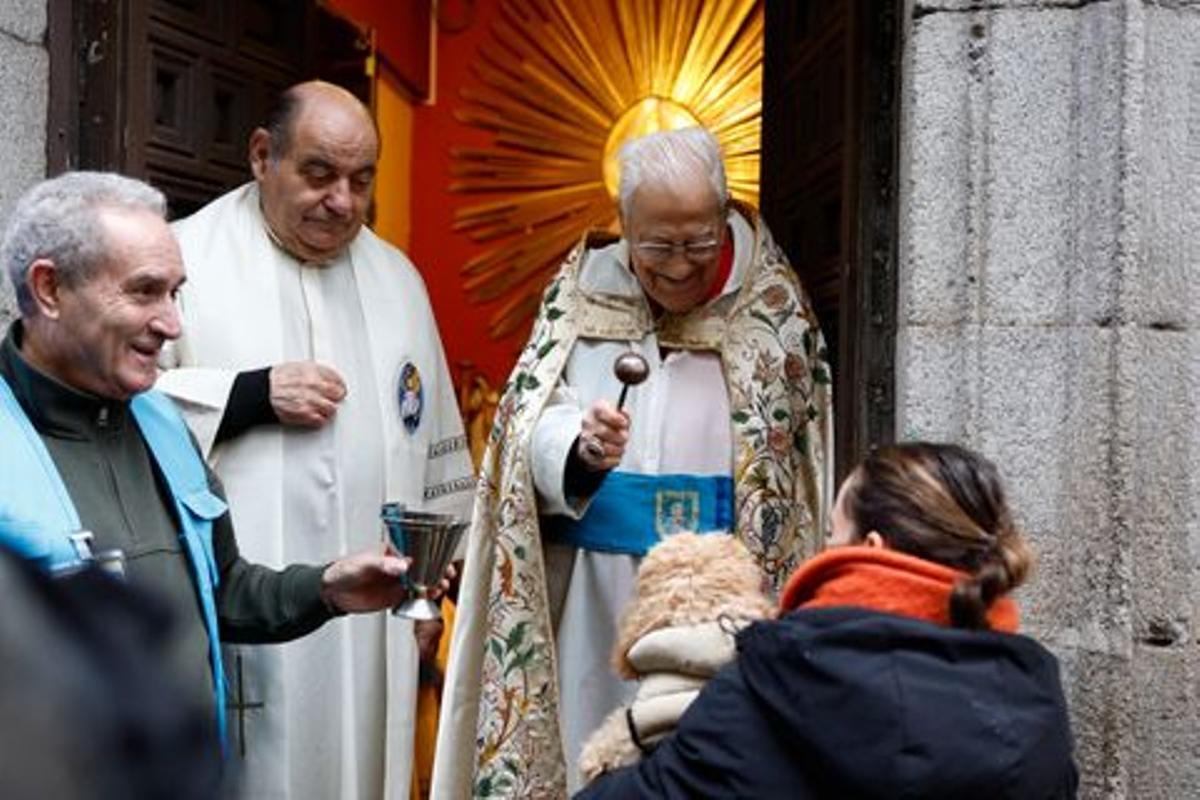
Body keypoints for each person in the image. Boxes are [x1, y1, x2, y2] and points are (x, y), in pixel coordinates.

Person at [433, 126, 834, 798]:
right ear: (623, 227)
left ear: (724, 212)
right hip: (593, 596)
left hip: (719, 602)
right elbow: (525, 422)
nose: (680, 266)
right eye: (657, 246)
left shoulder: (773, 312)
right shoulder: (581, 292)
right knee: (586, 753)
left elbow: (798, 466)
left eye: (699, 242)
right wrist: (578, 449)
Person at [0, 172, 422, 780]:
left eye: (176, 294)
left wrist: (327, 587)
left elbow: (221, 592)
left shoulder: (164, 423)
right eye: (145, 293)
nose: (172, 324)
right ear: (49, 288)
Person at [155, 81, 474, 798]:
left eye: (362, 181)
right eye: (320, 174)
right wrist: (247, 394)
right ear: (263, 156)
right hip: (251, 610)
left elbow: (439, 444)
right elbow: (117, 405)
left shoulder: (398, 277)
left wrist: (432, 580)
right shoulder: (182, 261)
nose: (344, 202)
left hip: (373, 621)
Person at [575, 442, 1079, 799]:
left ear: (871, 549)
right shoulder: (1036, 702)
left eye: (833, 535)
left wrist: (641, 744)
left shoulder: (773, 680)